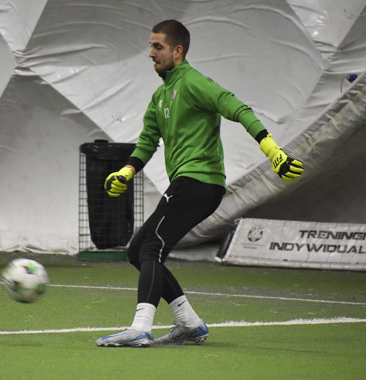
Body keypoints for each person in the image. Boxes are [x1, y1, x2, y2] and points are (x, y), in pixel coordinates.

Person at [96, 20, 303, 347]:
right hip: (190, 184)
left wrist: (272, 150)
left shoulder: (194, 82)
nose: (151, 53)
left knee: (151, 247)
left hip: (199, 182)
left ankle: (140, 328)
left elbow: (236, 107)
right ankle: (190, 324)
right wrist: (126, 171)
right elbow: (147, 142)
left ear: (178, 51)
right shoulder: (159, 96)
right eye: (150, 46)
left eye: (158, 47)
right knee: (137, 251)